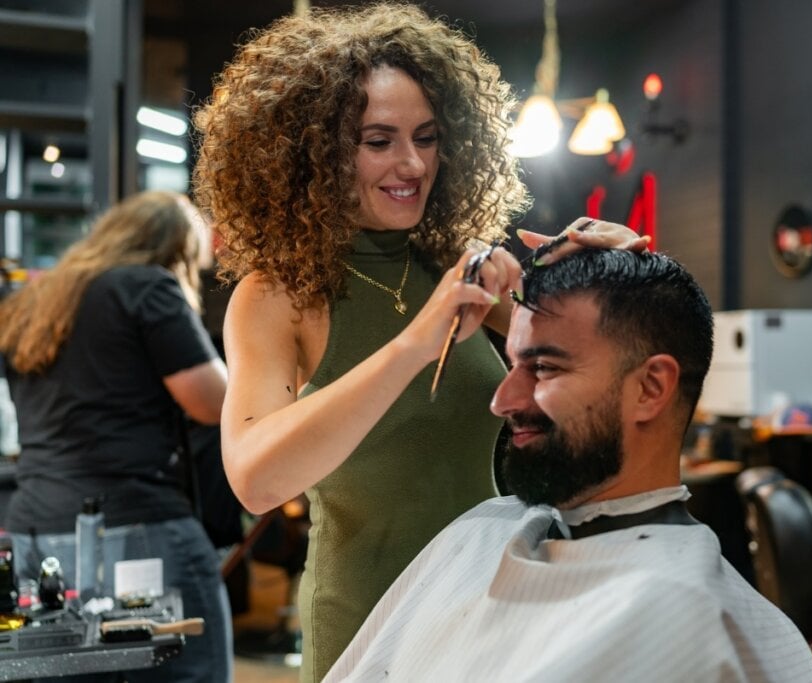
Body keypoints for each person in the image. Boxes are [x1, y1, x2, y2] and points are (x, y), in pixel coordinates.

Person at [191, 4, 647, 679]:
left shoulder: (458, 266)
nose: (411, 163)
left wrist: (615, 276)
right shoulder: (277, 293)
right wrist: (414, 341)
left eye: (427, 137)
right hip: (365, 623)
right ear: (316, 151)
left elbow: (606, 375)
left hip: (484, 609)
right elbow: (256, 479)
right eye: (379, 140)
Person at [325, 248, 812, 682]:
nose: (503, 399)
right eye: (514, 362)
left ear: (650, 389)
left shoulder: (683, 612)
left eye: (544, 368)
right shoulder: (480, 532)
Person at [0, 191, 232, 683]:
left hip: (35, 531)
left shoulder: (34, 301)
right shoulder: (147, 287)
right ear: (173, 250)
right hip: (135, 528)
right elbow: (213, 402)